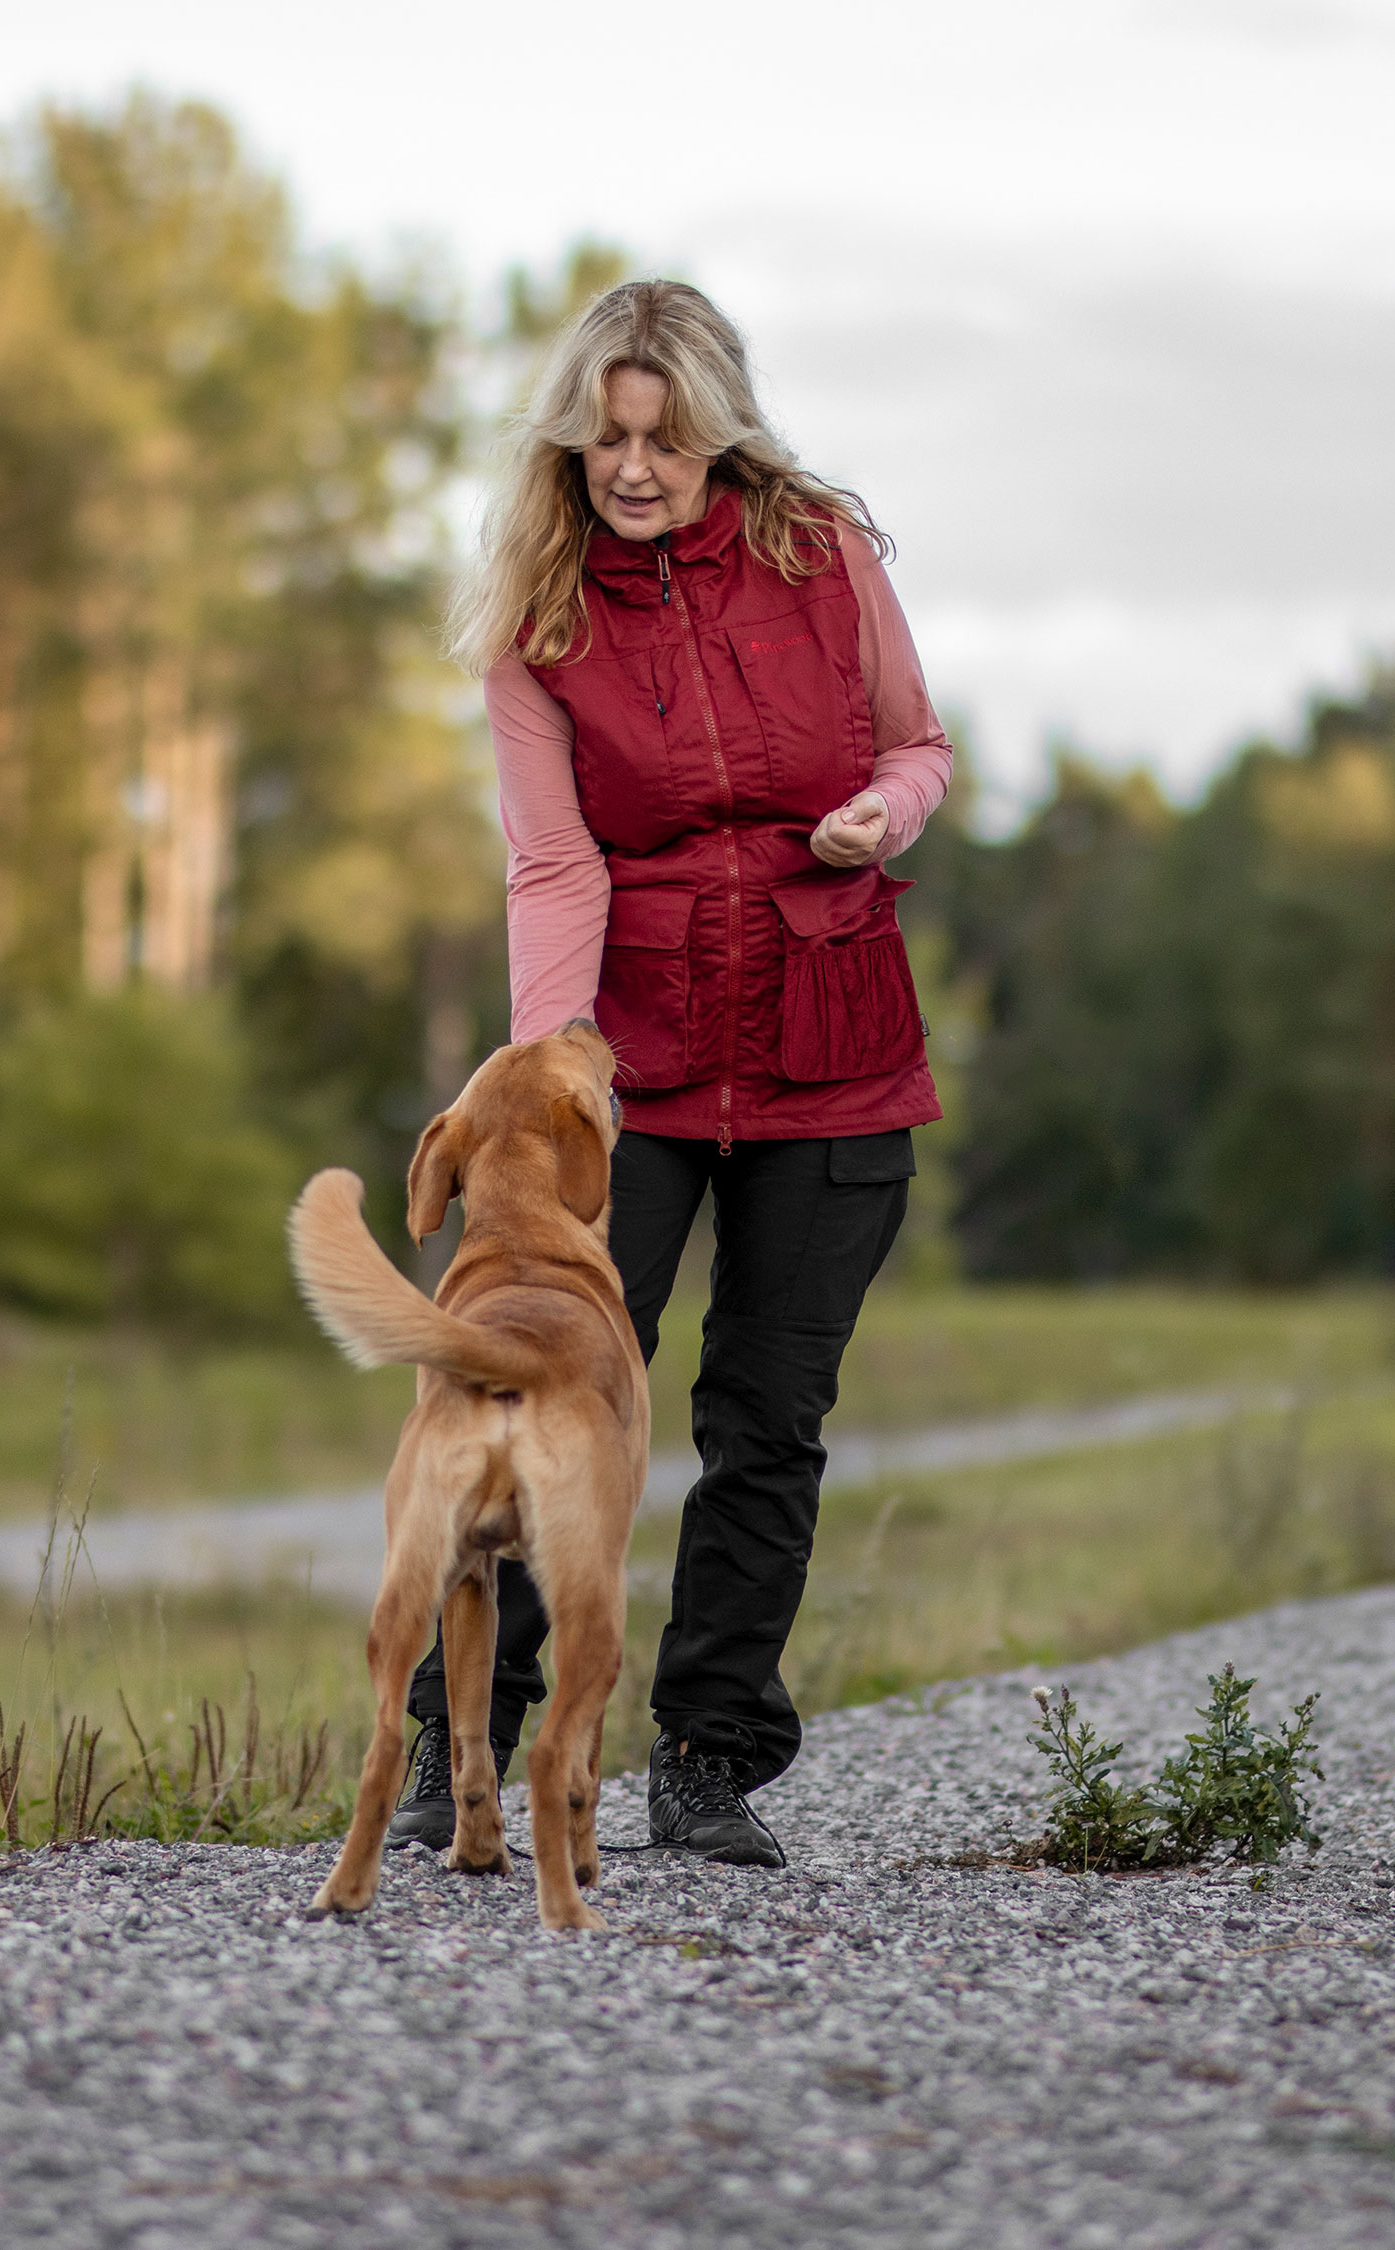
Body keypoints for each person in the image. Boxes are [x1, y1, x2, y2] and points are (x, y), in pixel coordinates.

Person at [390, 279, 952, 1866]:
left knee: (765, 1416)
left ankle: (705, 1759)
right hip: (625, 1063)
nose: (632, 468)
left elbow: (918, 745)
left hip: (828, 1040)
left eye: (664, 437)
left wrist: (879, 818)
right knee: (528, 1382)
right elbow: (552, 866)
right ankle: (455, 1750)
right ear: (570, 440)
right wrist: (547, 1080)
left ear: (719, 429)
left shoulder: (822, 555)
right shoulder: (537, 615)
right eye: (603, 437)